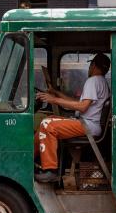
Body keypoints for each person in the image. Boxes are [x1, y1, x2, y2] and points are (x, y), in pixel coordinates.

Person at [33, 53, 111, 183]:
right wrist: (56, 93)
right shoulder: (102, 82)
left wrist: (54, 100)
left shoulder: (93, 80)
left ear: (94, 66)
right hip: (89, 124)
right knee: (48, 120)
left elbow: (82, 107)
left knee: (48, 124)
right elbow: (76, 102)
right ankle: (31, 158)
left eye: (91, 65)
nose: (89, 68)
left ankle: (50, 170)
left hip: (88, 125)